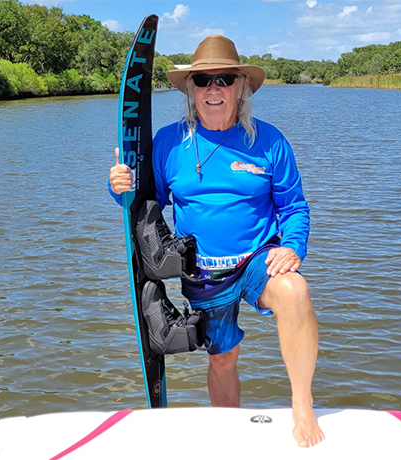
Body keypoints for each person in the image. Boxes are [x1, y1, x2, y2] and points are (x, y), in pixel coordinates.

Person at [108, 35, 324, 448]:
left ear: (242, 86)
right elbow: (145, 204)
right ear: (191, 90)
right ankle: (229, 434)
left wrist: (293, 246)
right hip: (205, 272)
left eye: (224, 79)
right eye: (204, 80)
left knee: (295, 290)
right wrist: (120, 187)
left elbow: (295, 207)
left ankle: (302, 403)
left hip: (259, 260)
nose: (214, 89)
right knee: (223, 358)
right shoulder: (170, 144)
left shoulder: (270, 141)